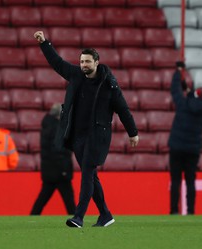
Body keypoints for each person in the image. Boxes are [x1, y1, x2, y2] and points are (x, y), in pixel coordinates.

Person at [33, 30, 139, 228]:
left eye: (87, 62)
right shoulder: (75, 75)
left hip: (97, 136)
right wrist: (44, 43)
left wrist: (132, 132)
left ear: (97, 62)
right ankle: (105, 215)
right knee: (91, 176)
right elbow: (57, 62)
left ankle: (79, 216)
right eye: (82, 62)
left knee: (87, 173)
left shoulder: (109, 85)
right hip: (77, 136)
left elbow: (123, 110)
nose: (84, 65)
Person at [168, 62, 202, 215]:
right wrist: (188, 90)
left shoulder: (183, 103)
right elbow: (194, 99)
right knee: (191, 181)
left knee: (175, 181)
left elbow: (174, 90)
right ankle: (191, 211)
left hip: (177, 147)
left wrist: (178, 71)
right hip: (193, 149)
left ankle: (173, 210)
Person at [31, 103, 76, 215]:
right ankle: (76, 218)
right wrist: (64, 170)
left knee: (42, 199)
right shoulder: (57, 128)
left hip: (49, 169)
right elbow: (60, 151)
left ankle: (32, 216)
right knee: (69, 200)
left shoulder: (47, 126)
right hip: (60, 171)